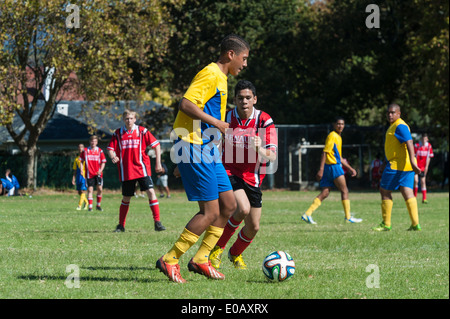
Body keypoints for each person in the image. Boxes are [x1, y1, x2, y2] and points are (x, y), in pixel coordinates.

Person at [156, 34, 249, 283]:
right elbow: (185, 104)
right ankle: (170, 258)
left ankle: (201, 259)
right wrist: (217, 123)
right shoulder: (210, 73)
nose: (245, 63)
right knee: (209, 212)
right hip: (194, 146)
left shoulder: (223, 78)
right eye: (244, 58)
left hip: (206, 149)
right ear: (231, 55)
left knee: (230, 206)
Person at [209, 80, 277, 270]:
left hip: (253, 177)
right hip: (228, 171)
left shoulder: (264, 120)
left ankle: (235, 254)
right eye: (240, 98)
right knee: (242, 209)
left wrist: (259, 148)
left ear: (255, 99)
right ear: (234, 100)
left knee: (253, 226)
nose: (244, 101)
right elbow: (209, 140)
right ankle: (217, 249)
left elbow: (272, 155)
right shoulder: (226, 118)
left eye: (248, 98)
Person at [107, 109, 166, 232]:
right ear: (124, 120)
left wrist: (158, 163)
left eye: (131, 118)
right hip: (126, 170)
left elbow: (157, 145)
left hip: (142, 168)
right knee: (126, 198)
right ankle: (121, 225)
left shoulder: (142, 131)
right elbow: (110, 148)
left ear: (135, 119)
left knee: (151, 192)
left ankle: (157, 222)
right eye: (126, 118)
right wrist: (113, 156)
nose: (129, 120)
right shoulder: (118, 133)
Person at [301, 117, 362, 225]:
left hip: (330, 167)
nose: (340, 126)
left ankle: (307, 214)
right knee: (345, 191)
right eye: (338, 124)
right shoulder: (333, 135)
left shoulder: (338, 137)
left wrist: (350, 168)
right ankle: (348, 217)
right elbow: (325, 152)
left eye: (342, 124)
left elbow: (339, 156)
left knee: (325, 193)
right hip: (333, 167)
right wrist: (320, 169)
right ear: (334, 125)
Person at [372, 104, 422, 232]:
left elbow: (409, 141)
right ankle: (415, 224)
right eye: (388, 112)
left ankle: (386, 224)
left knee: (384, 191)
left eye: (393, 112)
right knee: (407, 192)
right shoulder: (394, 126)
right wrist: (384, 163)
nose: (390, 115)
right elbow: (394, 148)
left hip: (397, 165)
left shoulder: (399, 125)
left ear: (399, 113)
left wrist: (412, 160)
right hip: (404, 165)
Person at [81, 135, 106, 211]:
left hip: (98, 174)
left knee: (100, 189)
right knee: (90, 190)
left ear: (97, 142)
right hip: (89, 174)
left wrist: (100, 170)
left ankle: (98, 205)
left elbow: (103, 162)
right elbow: (81, 161)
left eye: (95, 141)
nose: (93, 143)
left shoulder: (100, 151)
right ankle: (90, 207)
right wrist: (82, 169)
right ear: (90, 142)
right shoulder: (85, 151)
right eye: (92, 141)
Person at [413, 133, 434, 203]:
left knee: (423, 182)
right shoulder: (417, 145)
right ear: (421, 139)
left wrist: (426, 167)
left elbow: (429, 158)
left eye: (425, 139)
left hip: (423, 167)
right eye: (422, 139)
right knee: (416, 181)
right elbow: (413, 156)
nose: (424, 140)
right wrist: (414, 166)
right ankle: (414, 197)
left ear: (427, 139)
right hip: (416, 167)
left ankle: (424, 198)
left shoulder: (429, 146)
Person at [72, 144, 89, 210]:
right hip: (78, 177)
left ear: (84, 148)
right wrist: (73, 178)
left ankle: (79, 206)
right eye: (79, 147)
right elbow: (75, 170)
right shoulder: (76, 159)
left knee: (83, 191)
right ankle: (86, 202)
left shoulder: (86, 157)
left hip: (84, 176)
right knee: (79, 192)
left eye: (81, 147)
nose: (80, 148)